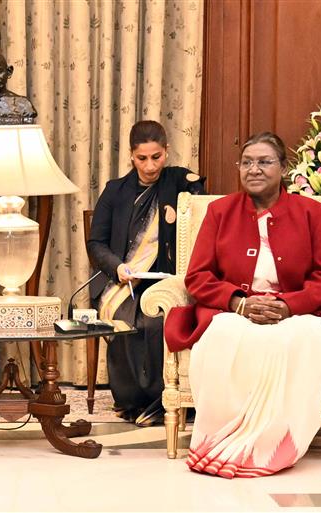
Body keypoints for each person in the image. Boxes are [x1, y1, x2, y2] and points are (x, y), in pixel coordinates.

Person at [165, 132, 321, 478]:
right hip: (233, 310)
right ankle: (221, 441)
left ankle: (274, 445)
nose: (254, 169)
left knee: (306, 335)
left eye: (264, 161)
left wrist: (289, 306)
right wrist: (238, 303)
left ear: (283, 167)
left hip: (294, 312)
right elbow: (198, 276)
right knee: (224, 335)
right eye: (247, 162)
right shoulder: (220, 212)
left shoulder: (312, 213)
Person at [87, 120, 205, 426]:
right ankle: (130, 401)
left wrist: (183, 204)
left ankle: (165, 399)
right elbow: (96, 242)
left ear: (166, 151)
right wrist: (117, 267)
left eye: (157, 157)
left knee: (157, 321)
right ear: (131, 156)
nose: (150, 165)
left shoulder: (179, 181)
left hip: (166, 280)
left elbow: (201, 208)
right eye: (142, 158)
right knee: (128, 321)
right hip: (122, 280)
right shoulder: (115, 191)